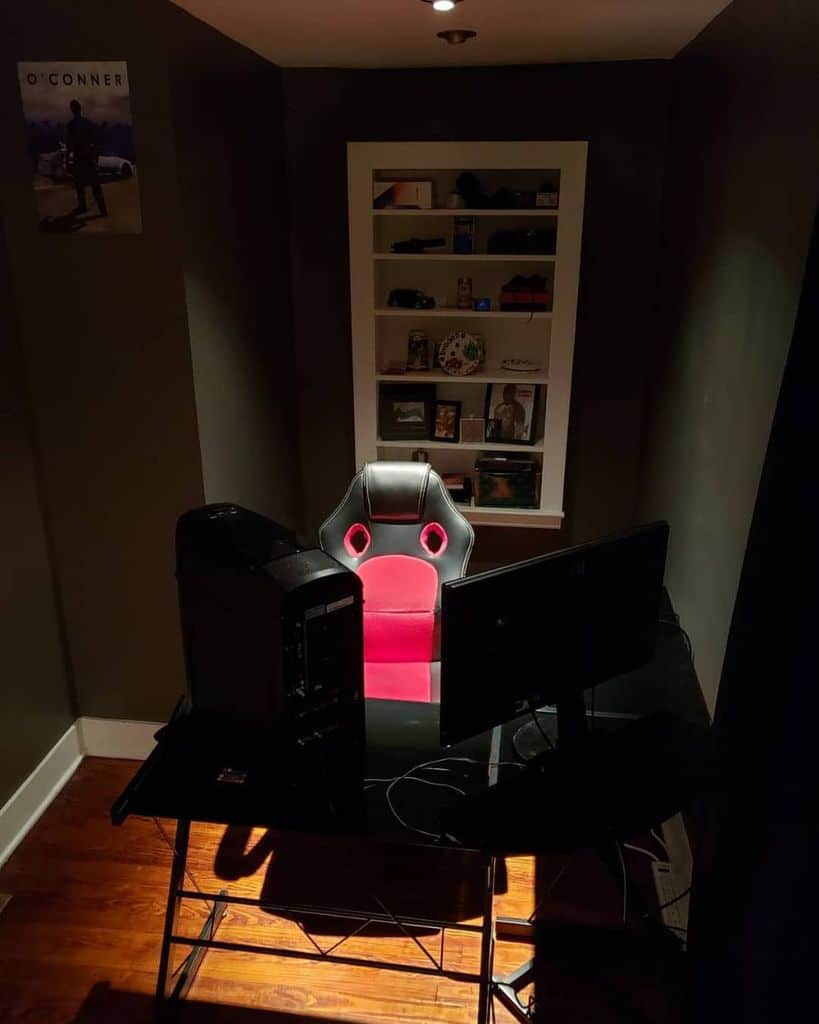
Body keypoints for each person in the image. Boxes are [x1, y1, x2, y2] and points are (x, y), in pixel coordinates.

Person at [65, 99, 107, 217]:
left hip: (80, 159)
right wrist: (95, 156)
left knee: (80, 185)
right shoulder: (87, 123)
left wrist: (67, 160)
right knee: (95, 186)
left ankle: (83, 207)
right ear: (80, 109)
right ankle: (102, 210)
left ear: (72, 110)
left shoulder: (72, 125)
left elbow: (69, 144)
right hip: (88, 158)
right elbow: (96, 141)